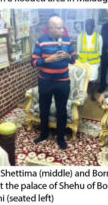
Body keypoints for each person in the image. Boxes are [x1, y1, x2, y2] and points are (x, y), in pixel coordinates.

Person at [32, 16, 76, 150]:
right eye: (59, 28)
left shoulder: (67, 41)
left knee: (61, 111)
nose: (62, 30)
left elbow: (74, 59)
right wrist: (47, 60)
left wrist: (68, 56)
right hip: (45, 82)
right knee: (44, 109)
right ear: (50, 28)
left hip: (63, 82)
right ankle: (44, 134)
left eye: (62, 27)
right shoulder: (41, 42)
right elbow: (33, 62)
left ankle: (61, 138)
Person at [77, 18, 102, 91]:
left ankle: (92, 95)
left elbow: (100, 52)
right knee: (82, 78)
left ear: (93, 26)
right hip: (82, 62)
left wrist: (98, 64)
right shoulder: (80, 36)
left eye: (90, 25)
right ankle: (81, 92)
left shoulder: (99, 37)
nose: (88, 27)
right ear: (85, 26)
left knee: (93, 79)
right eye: (87, 25)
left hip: (94, 63)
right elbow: (78, 51)